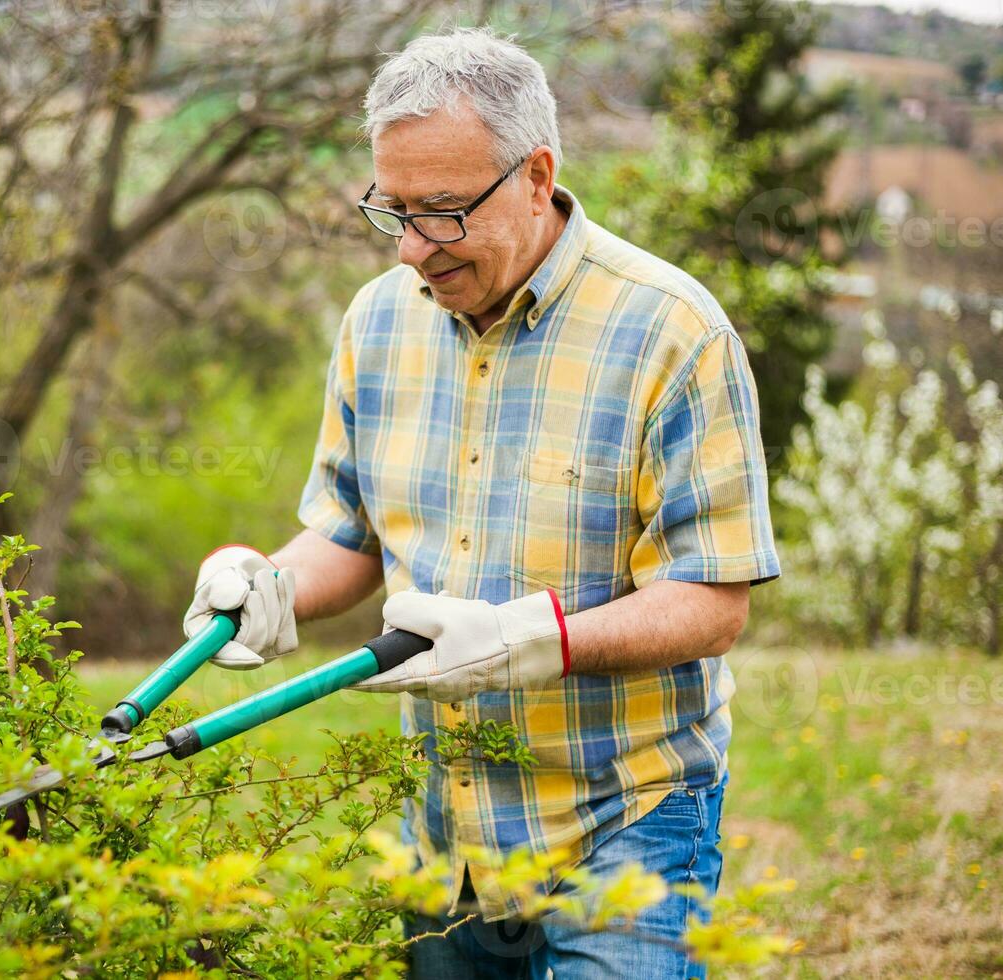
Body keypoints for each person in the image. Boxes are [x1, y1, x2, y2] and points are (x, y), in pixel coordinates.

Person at [181, 26, 779, 979]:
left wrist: (530, 642)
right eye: (395, 210)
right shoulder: (378, 321)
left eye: (447, 212)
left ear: (538, 176)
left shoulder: (674, 332)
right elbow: (348, 534)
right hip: (444, 829)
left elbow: (714, 601)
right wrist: (267, 583)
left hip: (627, 814)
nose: (416, 246)